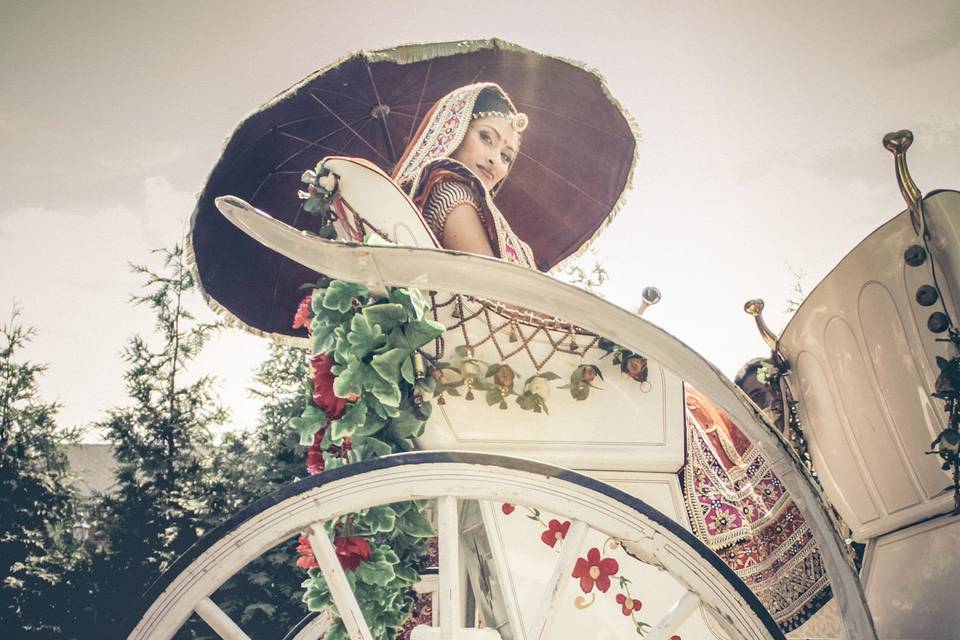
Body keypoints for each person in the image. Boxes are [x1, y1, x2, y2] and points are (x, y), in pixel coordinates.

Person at [392, 83, 537, 269]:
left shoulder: (455, 197)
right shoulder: (452, 193)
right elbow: (495, 291)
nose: (495, 160)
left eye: (505, 156)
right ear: (455, 130)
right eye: (486, 137)